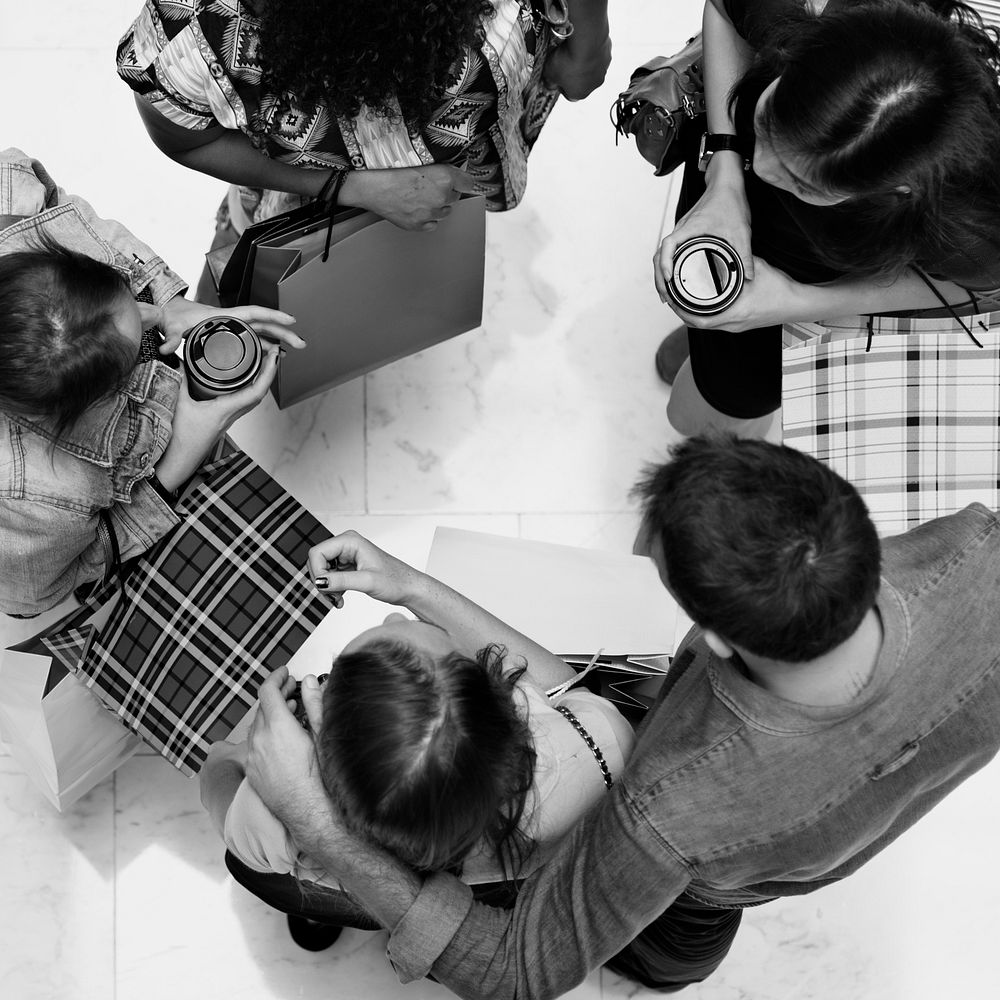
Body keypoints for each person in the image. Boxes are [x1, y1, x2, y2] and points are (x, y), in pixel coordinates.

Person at [244, 434, 1000, 996]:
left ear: (715, 641)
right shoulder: (977, 548)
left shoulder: (671, 805)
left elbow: (517, 969)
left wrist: (313, 821)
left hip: (678, 917)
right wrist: (409, 585)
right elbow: (582, 703)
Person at [199, 550, 635, 949]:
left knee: (255, 874)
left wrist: (240, 757)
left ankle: (322, 913)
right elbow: (562, 687)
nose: (393, 620)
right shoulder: (600, 743)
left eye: (336, 673)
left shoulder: (272, 810)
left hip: (353, 890)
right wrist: (412, 586)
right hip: (510, 882)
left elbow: (217, 784)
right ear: (505, 706)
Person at [652, 0, 1000, 441]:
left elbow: (981, 285)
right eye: (766, 121)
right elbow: (723, 9)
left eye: (804, 184)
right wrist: (724, 171)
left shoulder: (965, 217)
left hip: (824, 272)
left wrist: (799, 302)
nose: (761, 167)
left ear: (897, 191)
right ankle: (708, 338)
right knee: (713, 321)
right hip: (726, 184)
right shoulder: (815, 37)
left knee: (705, 421)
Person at [116, 0, 611, 297]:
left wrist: (586, 38)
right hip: (297, 203)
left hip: (462, 170)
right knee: (236, 308)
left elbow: (578, 65)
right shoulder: (201, 20)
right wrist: (353, 187)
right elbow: (181, 133)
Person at [0, 147, 303, 617]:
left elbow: (67, 213)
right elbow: (37, 595)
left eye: (123, 294)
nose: (151, 330)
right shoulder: (36, 501)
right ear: (73, 407)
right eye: (135, 347)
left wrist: (167, 304)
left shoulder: (10, 198)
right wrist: (183, 450)